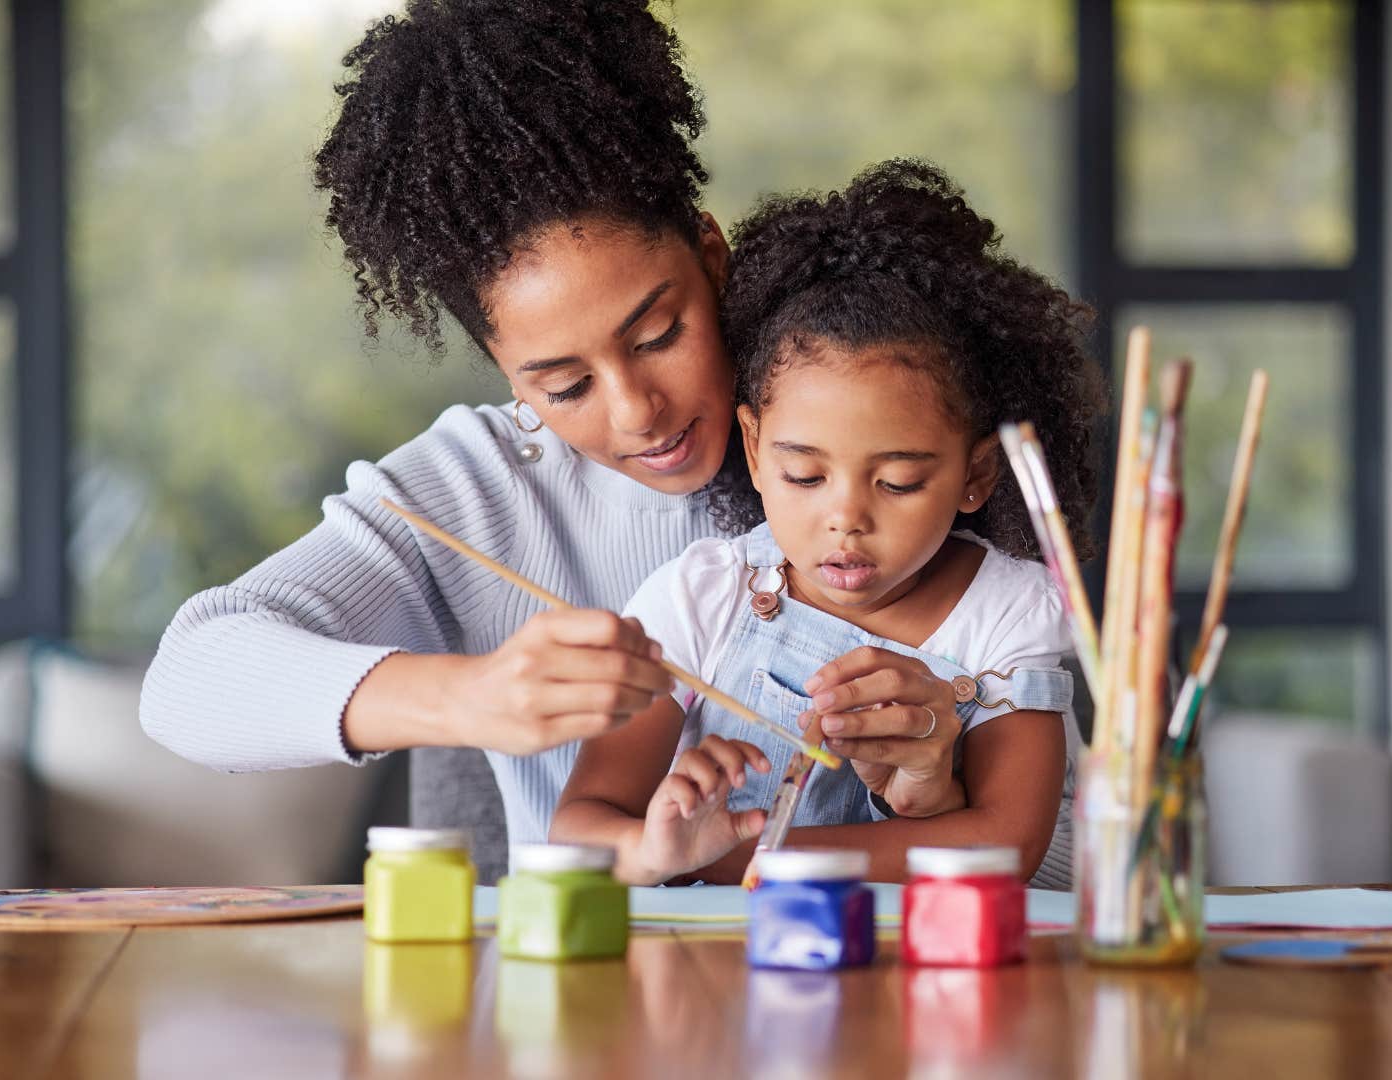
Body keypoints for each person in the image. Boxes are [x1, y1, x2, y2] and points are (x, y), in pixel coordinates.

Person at [139, 1, 962, 852]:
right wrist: (466, 698)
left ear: (711, 256)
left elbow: (1038, 852)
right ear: (507, 374)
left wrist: (941, 774)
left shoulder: (872, 421)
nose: (637, 410)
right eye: (564, 385)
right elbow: (186, 682)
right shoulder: (478, 489)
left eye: (659, 336)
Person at [552, 160, 1106, 887]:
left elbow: (1005, 844)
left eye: (899, 482)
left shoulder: (1006, 611)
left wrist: (730, 856)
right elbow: (581, 828)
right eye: (805, 477)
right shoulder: (702, 599)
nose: (845, 518)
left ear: (976, 475)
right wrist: (658, 850)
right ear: (755, 451)